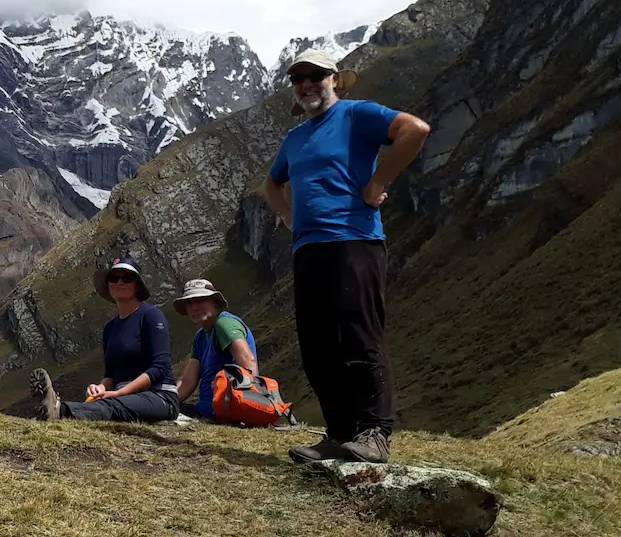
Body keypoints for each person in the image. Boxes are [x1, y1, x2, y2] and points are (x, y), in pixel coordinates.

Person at [261, 49, 431, 464]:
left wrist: (377, 183)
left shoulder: (357, 115)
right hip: (309, 248)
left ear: (334, 79)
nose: (306, 84)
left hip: (354, 240)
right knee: (318, 344)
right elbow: (271, 183)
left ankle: (375, 432)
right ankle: (339, 433)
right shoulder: (295, 138)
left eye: (315, 76)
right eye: (298, 78)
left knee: (359, 334)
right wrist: (286, 214)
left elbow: (415, 129)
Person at [26, 258, 181, 423]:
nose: (119, 282)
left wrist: (119, 393)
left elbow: (160, 368)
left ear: (137, 285)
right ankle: (54, 409)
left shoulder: (151, 315)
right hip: (123, 397)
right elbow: (111, 376)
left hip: (159, 395)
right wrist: (100, 388)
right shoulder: (110, 328)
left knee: (112, 406)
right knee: (110, 405)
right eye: (113, 278)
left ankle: (59, 410)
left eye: (126, 278)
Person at [171, 279, 260, 420]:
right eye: (189, 303)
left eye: (200, 300)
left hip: (225, 411)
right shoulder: (200, 336)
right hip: (207, 410)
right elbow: (188, 380)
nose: (194, 308)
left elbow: (248, 362)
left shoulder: (224, 323)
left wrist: (245, 407)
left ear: (215, 302)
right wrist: (167, 401)